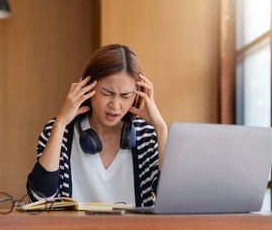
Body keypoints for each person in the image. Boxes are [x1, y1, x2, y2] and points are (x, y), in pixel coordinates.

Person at [26, 44, 167, 207]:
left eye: (125, 96)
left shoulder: (147, 136)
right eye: (107, 93)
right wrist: (60, 123)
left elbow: (173, 200)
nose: (115, 106)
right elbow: (39, 199)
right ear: (87, 87)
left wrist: (161, 129)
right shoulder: (60, 131)